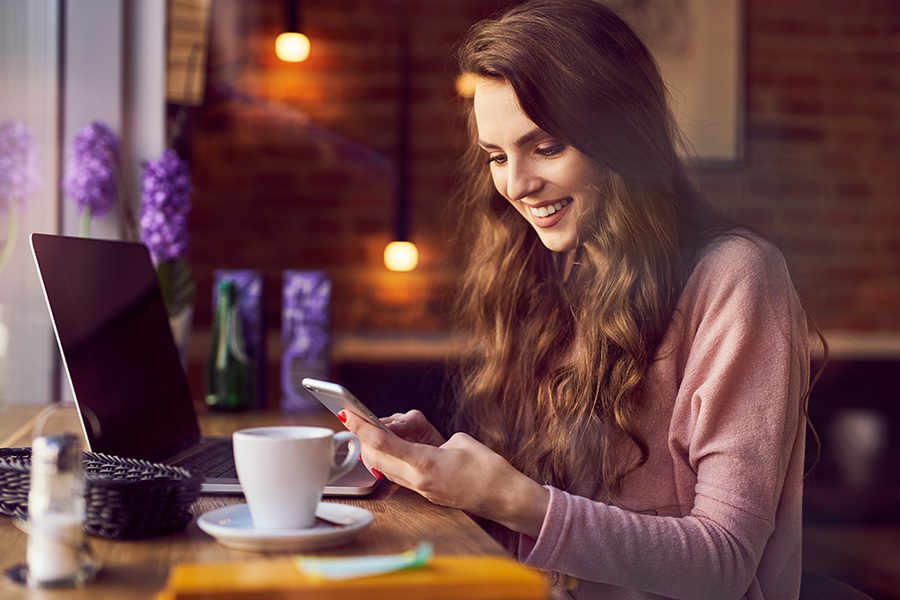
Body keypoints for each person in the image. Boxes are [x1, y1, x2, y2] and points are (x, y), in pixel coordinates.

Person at [340, 1, 821, 597]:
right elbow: (566, 544)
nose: (516, 185)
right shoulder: (554, 270)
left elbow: (723, 564)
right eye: (497, 156)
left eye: (545, 147)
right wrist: (456, 479)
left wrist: (513, 498)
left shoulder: (737, 277)